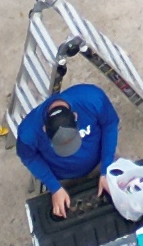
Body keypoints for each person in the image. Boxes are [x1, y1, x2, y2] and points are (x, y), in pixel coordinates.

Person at [16, 81, 118, 218]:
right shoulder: (28, 133)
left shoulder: (92, 99)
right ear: (44, 130)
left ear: (75, 117)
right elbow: (29, 157)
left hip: (101, 162)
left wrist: (106, 168)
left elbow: (110, 124)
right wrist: (55, 188)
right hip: (63, 179)